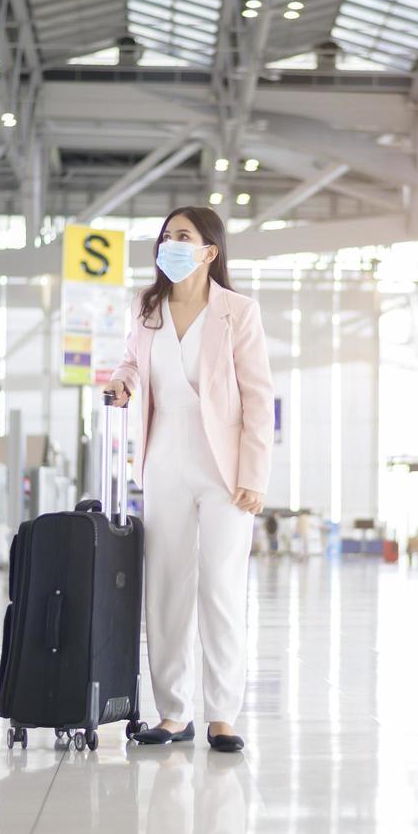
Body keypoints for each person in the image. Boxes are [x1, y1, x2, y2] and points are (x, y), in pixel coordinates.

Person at [103, 206, 274, 753]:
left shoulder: (237, 312)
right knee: (167, 586)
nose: (170, 244)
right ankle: (174, 713)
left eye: (183, 236)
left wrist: (255, 474)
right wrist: (123, 382)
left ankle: (223, 714)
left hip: (223, 465)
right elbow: (134, 361)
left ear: (209, 251)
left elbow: (257, 397)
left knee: (221, 587)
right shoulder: (147, 307)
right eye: (166, 236)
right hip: (163, 456)